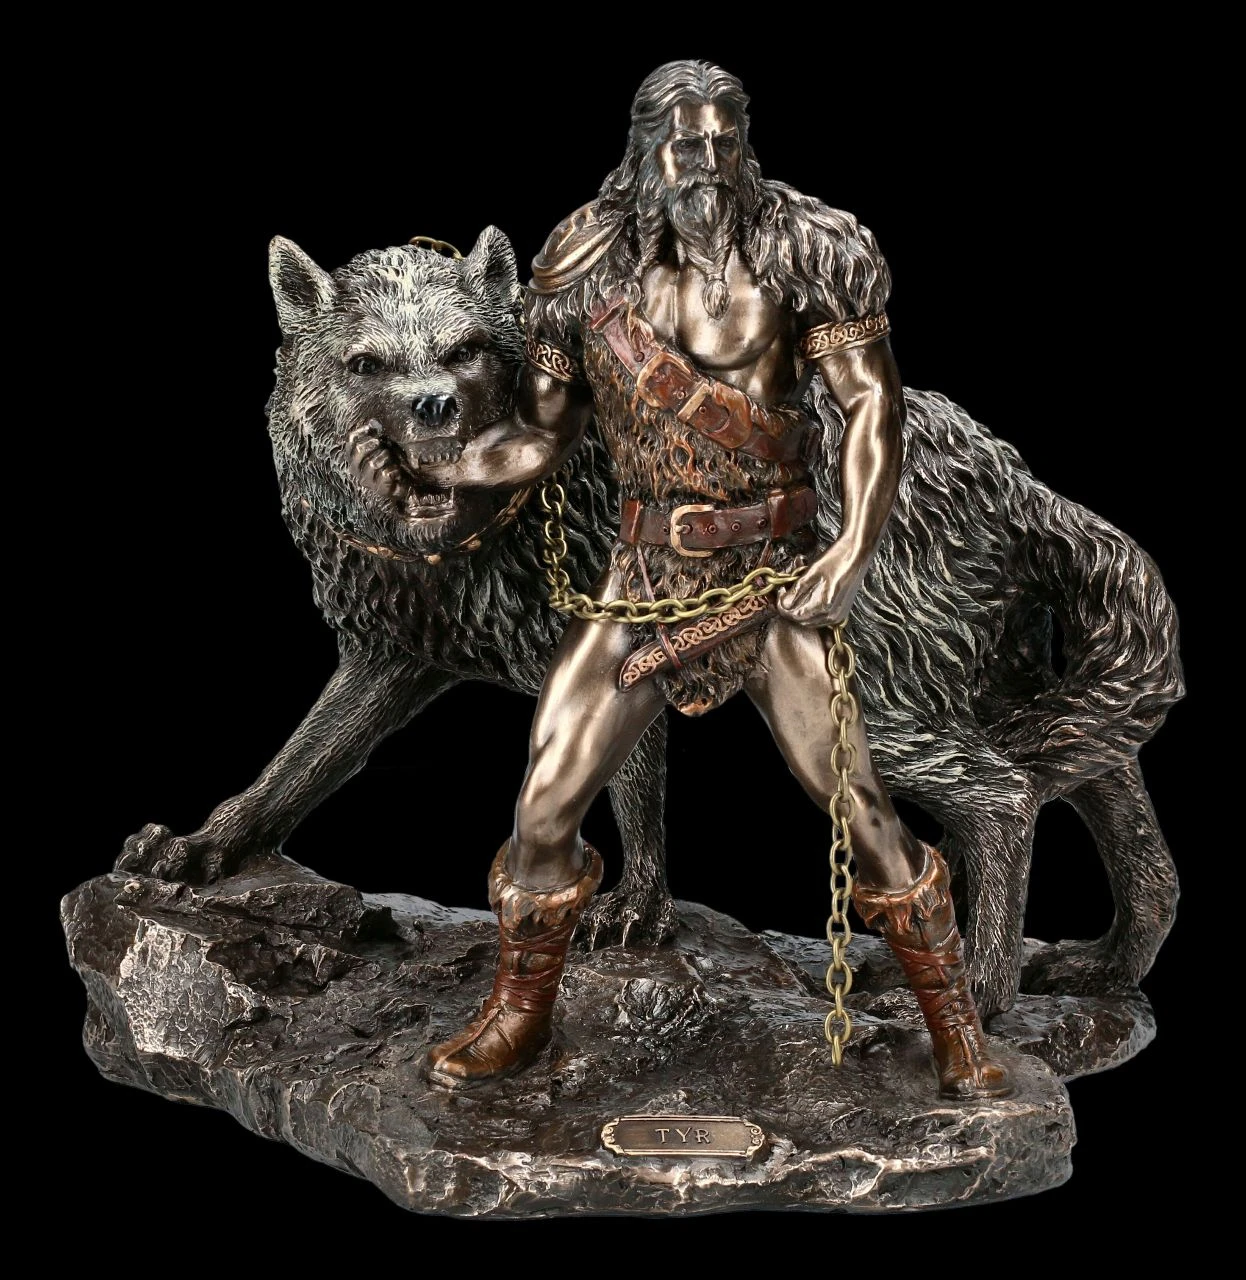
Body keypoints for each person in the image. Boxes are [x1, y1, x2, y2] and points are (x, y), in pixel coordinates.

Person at [416, 59, 1013, 1099]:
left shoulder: (806, 248)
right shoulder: (584, 264)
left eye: (723, 140)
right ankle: (519, 1015)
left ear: (745, 144)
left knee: (858, 805)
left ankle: (956, 1025)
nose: (705, 161)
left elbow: (871, 403)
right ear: (645, 150)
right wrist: (452, 466)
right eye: (684, 143)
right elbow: (544, 436)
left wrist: (850, 552)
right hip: (645, 575)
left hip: (775, 575)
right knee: (545, 802)